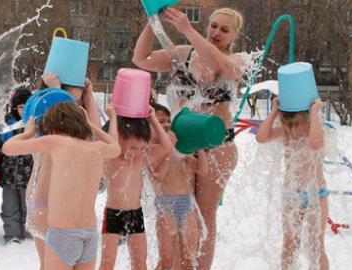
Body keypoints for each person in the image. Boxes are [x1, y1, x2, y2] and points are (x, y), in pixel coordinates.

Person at [133, 7, 245, 268]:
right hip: (181, 144)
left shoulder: (238, 60)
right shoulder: (184, 53)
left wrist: (188, 29)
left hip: (217, 145)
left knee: (204, 215)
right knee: (178, 211)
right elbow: (141, 59)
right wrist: (153, 21)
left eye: (224, 29)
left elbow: (224, 68)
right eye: (214, 25)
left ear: (234, 36)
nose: (216, 32)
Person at [3, 102, 121, 270]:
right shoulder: (97, 148)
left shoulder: (55, 141)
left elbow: (8, 147)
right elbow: (115, 148)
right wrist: (92, 126)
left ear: (52, 127)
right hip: (89, 234)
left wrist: (28, 132)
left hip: (63, 234)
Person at [29, 72, 102, 268]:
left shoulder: (79, 119)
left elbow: (97, 134)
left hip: (71, 207)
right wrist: (54, 90)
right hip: (45, 200)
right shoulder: (43, 112)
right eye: (77, 83)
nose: (84, 83)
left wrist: (88, 97)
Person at [256, 98, 329, 270]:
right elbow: (261, 137)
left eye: (297, 125)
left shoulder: (316, 130)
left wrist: (315, 113)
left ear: (306, 118)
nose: (294, 130)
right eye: (290, 125)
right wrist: (274, 110)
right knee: (289, 244)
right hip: (291, 194)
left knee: (316, 245)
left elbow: (316, 144)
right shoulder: (286, 132)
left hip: (316, 194)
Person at [99, 108, 173, 270]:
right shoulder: (111, 159)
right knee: (107, 264)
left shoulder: (141, 158)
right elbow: (111, 143)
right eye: (133, 147)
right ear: (120, 139)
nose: (136, 153)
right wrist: (113, 117)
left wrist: (153, 118)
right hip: (113, 215)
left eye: (142, 148)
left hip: (135, 214)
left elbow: (166, 146)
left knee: (140, 264)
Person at [150, 103, 209, 269]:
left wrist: (200, 147)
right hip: (165, 206)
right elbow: (158, 176)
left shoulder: (181, 149)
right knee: (166, 259)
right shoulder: (151, 150)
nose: (167, 124)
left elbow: (202, 170)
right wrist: (168, 150)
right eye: (161, 122)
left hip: (186, 204)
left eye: (169, 120)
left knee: (190, 257)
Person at [0, 87, 33, 244]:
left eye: (27, 106)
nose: (23, 110)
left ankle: (29, 232)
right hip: (9, 175)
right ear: (15, 108)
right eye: (20, 107)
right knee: (10, 208)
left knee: (28, 207)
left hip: (29, 177)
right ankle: (12, 235)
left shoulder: (36, 125)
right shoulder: (7, 125)